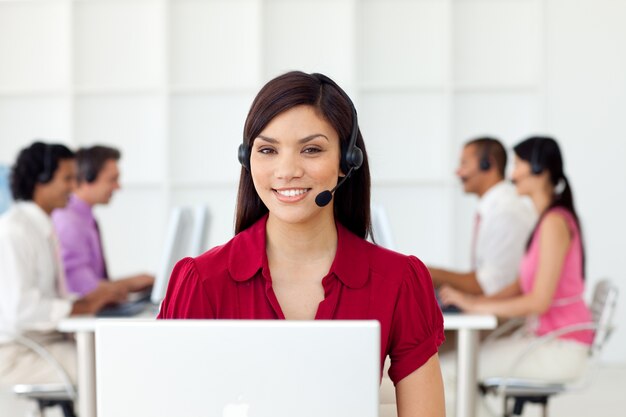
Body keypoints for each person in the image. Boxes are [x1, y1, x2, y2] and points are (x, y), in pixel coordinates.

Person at [158, 71, 446, 416]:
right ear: (247, 160)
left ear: (346, 162)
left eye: (311, 149)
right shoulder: (202, 280)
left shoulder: (399, 280)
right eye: (268, 150)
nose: (287, 170)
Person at [440, 136, 594, 382]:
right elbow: (522, 285)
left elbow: (538, 302)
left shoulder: (555, 222)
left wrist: (477, 306)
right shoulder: (545, 219)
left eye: (517, 165)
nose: (512, 176)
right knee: (459, 365)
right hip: (545, 340)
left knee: (454, 370)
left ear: (538, 170)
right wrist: (475, 300)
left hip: (559, 348)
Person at [0, 142, 125, 386]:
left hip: (43, 343)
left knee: (107, 359)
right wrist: (78, 307)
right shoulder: (13, 231)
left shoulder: (41, 228)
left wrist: (82, 304)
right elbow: (21, 311)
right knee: (101, 370)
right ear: (41, 181)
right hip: (17, 353)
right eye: (67, 178)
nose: (74, 186)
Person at [429, 138, 536, 296]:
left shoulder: (505, 211)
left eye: (464, 164)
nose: (458, 172)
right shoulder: (493, 209)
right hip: (491, 307)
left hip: (505, 315)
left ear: (488, 164)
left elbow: (491, 285)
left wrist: (430, 274)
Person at [52, 145, 154, 297]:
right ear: (87, 178)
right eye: (112, 180)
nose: (118, 187)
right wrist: (128, 284)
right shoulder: (69, 223)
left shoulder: (84, 218)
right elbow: (82, 289)